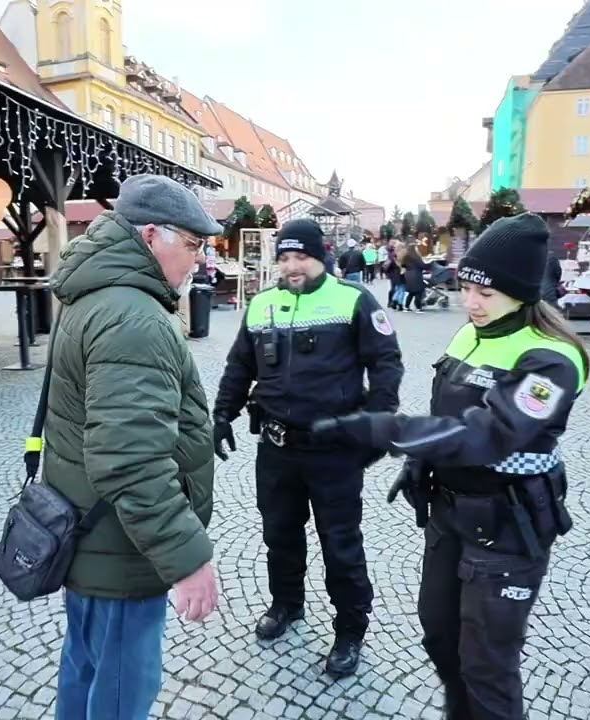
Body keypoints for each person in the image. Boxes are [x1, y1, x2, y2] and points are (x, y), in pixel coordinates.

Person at [310, 213, 588, 720]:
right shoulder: (469, 336)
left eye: (486, 293)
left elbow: (490, 434)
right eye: (466, 287)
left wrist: (384, 429)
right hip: (450, 515)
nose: (471, 302)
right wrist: (421, 461)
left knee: (487, 664)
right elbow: (449, 418)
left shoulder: (553, 359)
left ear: (523, 292)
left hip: (507, 525)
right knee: (439, 636)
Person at [43, 174, 223, 720]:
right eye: (192, 244)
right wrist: (187, 558)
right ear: (151, 236)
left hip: (95, 533)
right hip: (122, 547)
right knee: (122, 689)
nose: (198, 259)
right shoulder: (133, 318)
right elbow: (132, 461)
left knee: (86, 667)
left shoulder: (100, 294)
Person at [212, 218, 404, 678]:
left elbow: (385, 364)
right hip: (277, 449)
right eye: (285, 258)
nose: (293, 266)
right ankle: (286, 604)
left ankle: (350, 629)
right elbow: (240, 365)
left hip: (333, 451)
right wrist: (222, 413)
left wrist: (375, 426)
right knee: (279, 533)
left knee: (340, 543)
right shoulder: (262, 304)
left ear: (322, 256)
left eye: (302, 256)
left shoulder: (352, 300)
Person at [400, 242, 428, 313]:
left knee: (411, 292)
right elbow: (422, 265)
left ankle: (406, 307)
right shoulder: (416, 257)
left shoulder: (406, 256)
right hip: (416, 275)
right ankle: (418, 308)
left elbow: (403, 265)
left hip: (408, 275)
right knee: (418, 292)